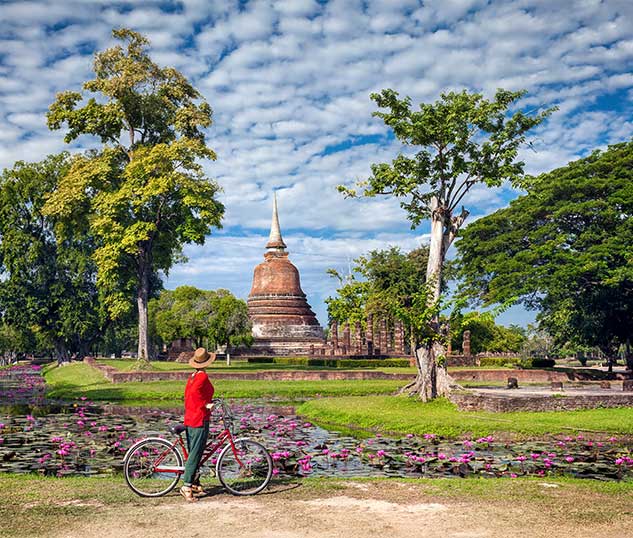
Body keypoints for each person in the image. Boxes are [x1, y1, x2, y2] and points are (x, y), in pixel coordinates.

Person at [180, 347, 216, 502]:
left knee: (195, 452)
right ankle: (187, 485)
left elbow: (190, 395)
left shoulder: (193, 376)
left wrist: (205, 402)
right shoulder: (202, 377)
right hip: (199, 418)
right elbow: (195, 395)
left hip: (190, 417)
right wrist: (205, 406)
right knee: (195, 453)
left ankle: (195, 482)